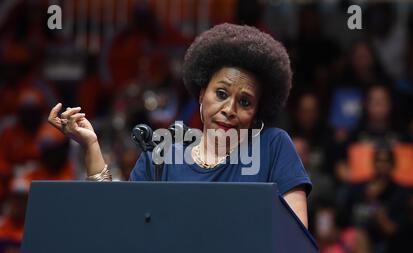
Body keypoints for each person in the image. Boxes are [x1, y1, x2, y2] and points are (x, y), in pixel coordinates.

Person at [48, 23, 312, 227]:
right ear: (201, 95)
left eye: (245, 102)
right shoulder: (162, 155)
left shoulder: (273, 146)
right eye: (221, 93)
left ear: (256, 113)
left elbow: (294, 239)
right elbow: (118, 224)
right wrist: (91, 145)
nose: (230, 110)